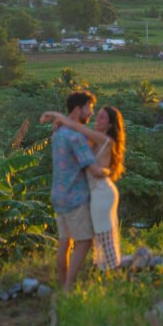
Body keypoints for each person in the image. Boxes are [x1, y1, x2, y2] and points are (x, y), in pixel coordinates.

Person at [41, 105, 125, 271]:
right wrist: (61, 125)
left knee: (104, 236)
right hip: (96, 193)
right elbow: (74, 137)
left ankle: (112, 274)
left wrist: (55, 114)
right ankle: (109, 275)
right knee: (100, 236)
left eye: (102, 117)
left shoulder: (105, 140)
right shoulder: (92, 140)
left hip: (102, 193)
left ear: (109, 125)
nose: (97, 119)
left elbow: (78, 127)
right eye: (97, 115)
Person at [49, 91, 108, 292]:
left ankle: (61, 284)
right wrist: (111, 170)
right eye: (89, 107)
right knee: (83, 242)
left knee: (64, 242)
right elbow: (94, 169)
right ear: (78, 109)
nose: (91, 113)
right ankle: (68, 289)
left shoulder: (58, 132)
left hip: (58, 195)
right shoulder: (76, 137)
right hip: (75, 197)